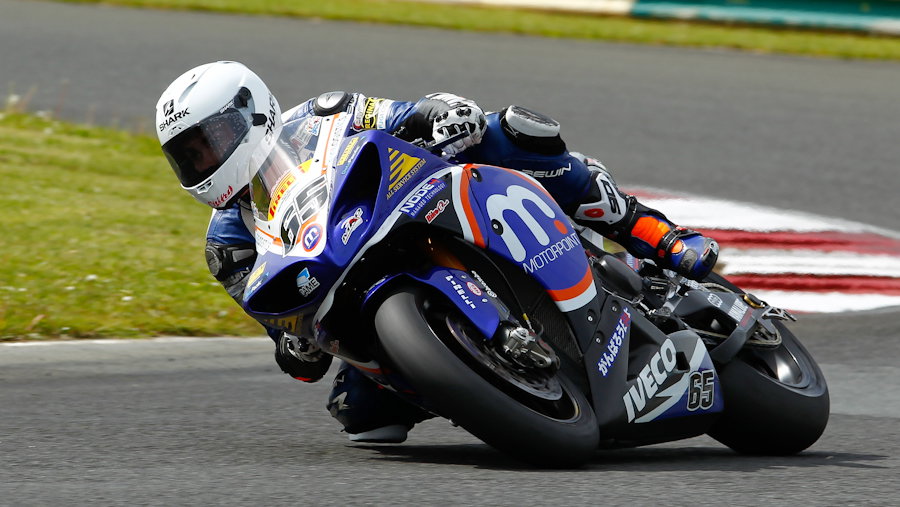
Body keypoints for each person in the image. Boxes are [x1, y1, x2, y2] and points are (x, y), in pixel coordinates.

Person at [155, 61, 719, 444]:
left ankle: (655, 235)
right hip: (351, 296)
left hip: (406, 210)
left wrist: (438, 113)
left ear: (251, 114)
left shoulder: (322, 113)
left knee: (511, 133)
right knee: (361, 420)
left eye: (209, 143)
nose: (202, 163)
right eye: (189, 156)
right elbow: (282, 328)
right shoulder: (226, 245)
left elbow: (398, 116)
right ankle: (480, 382)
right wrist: (293, 347)